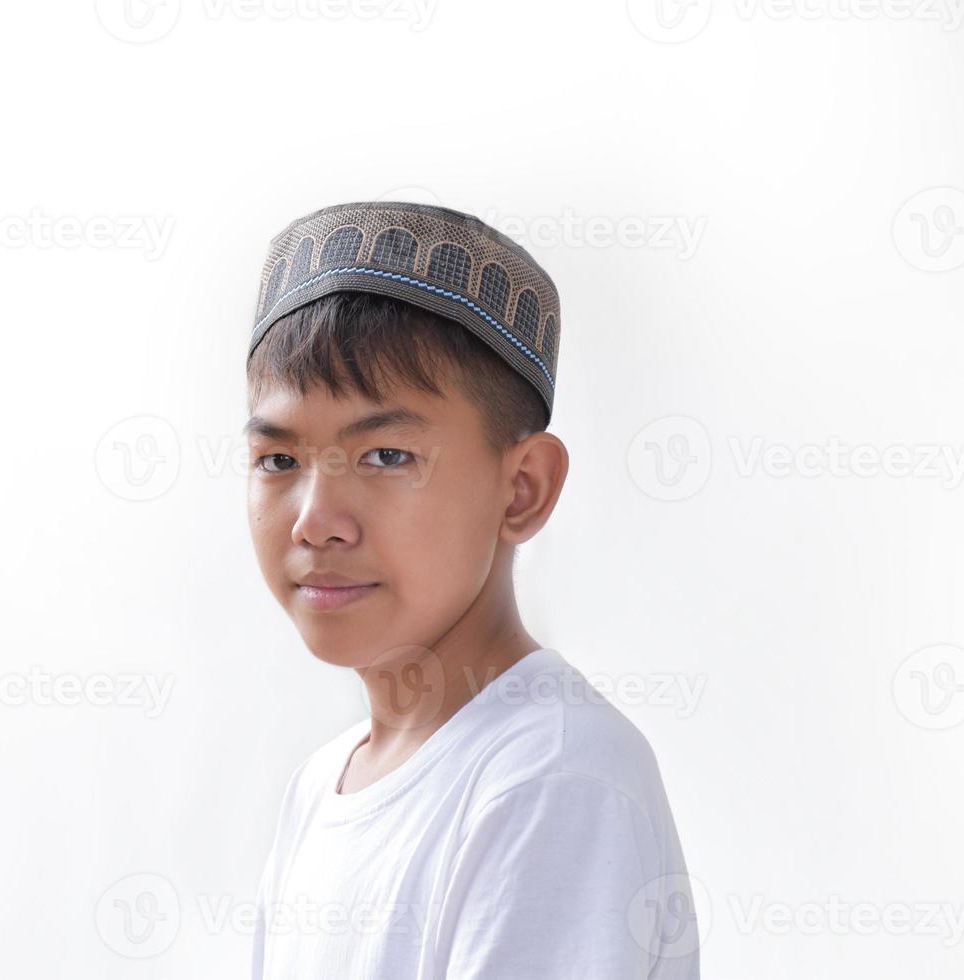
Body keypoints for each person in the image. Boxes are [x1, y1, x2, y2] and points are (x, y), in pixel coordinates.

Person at [244, 202, 699, 978]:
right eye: (280, 461)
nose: (316, 522)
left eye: (386, 455)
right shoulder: (322, 787)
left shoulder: (552, 779)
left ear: (521, 489)